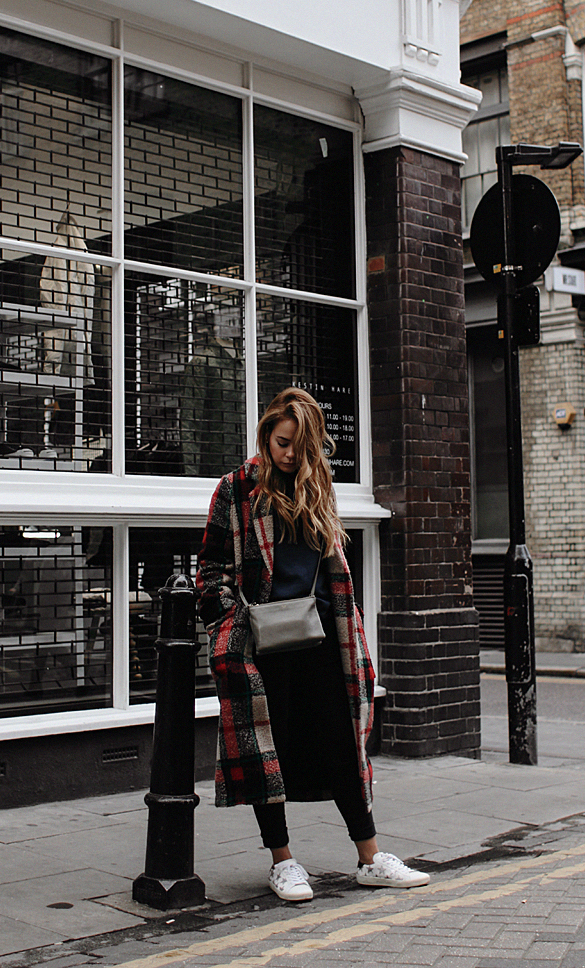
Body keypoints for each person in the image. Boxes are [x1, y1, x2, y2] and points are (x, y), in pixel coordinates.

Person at [196, 386, 430, 902]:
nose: (288, 454)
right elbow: (209, 570)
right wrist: (230, 623)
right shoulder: (237, 489)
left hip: (322, 638)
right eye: (281, 443)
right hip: (260, 643)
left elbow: (330, 569)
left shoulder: (317, 489)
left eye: (299, 447)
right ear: (266, 436)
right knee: (266, 751)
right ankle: (283, 861)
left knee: (343, 747)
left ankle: (370, 857)